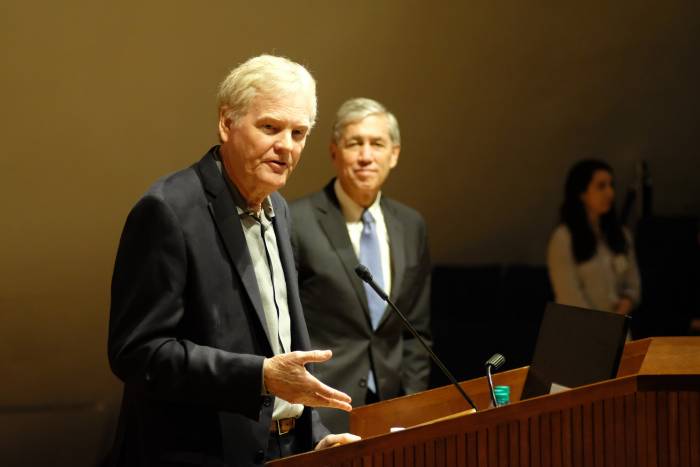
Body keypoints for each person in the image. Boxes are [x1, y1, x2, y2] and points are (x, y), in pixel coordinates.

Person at [107, 55, 359, 467]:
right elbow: (138, 353)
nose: (287, 147)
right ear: (227, 123)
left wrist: (311, 436)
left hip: (284, 451)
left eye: (299, 133)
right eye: (270, 128)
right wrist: (258, 376)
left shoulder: (278, 207)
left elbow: (279, 343)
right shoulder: (167, 210)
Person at [289, 98, 432, 433]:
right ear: (334, 152)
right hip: (322, 408)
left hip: (392, 409)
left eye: (377, 144)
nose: (366, 156)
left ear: (393, 154)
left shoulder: (411, 225)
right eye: (355, 144)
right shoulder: (295, 220)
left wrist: (411, 406)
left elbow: (416, 331)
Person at [547, 159, 641, 315]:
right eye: (601, 186)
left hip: (618, 328)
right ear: (582, 193)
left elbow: (633, 284)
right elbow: (569, 297)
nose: (610, 193)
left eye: (611, 185)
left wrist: (626, 302)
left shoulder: (621, 235)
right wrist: (599, 326)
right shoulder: (563, 238)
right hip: (581, 330)